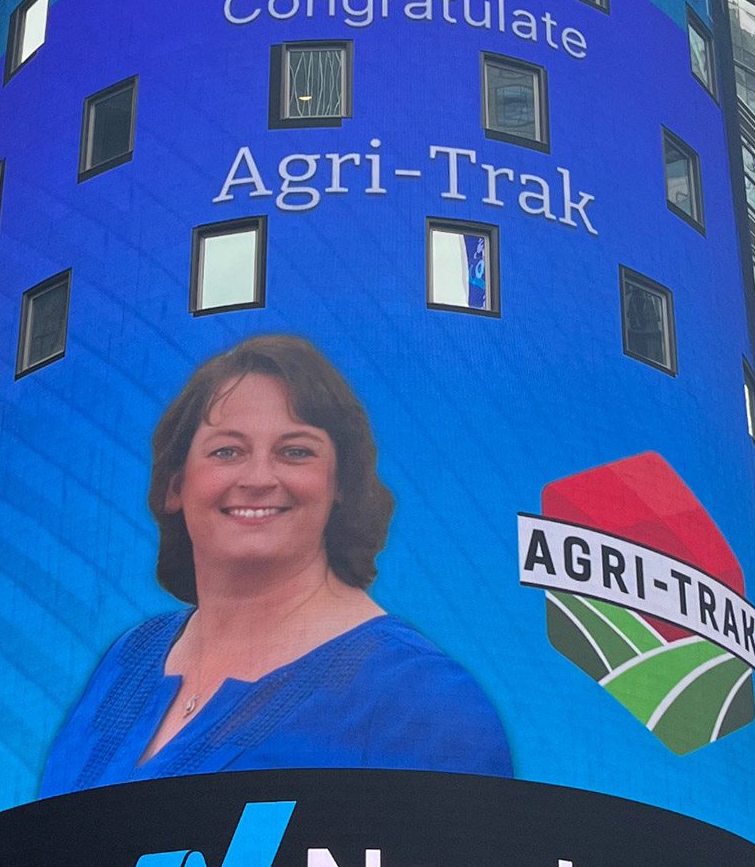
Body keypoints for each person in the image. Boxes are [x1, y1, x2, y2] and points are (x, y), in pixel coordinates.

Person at [41, 336, 513, 791]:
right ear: (175, 485)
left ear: (341, 483)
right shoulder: (130, 658)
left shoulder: (423, 699)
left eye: (295, 452)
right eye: (227, 451)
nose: (259, 478)